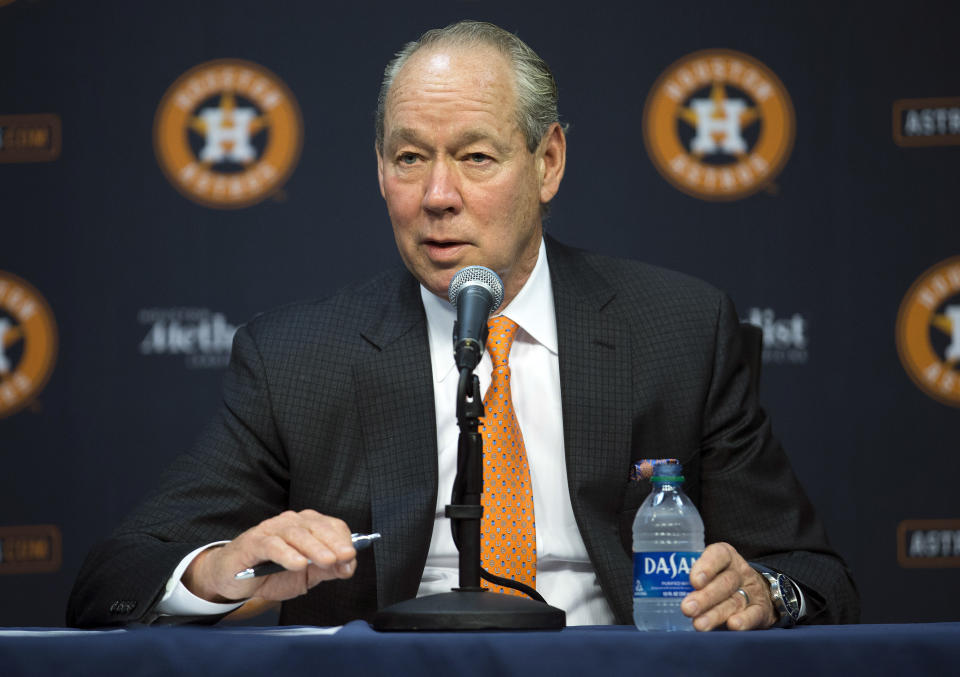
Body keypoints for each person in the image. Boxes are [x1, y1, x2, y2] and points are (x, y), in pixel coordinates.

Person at [67, 20, 858, 630]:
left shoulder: (680, 329)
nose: (437, 195)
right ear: (380, 171)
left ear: (547, 163)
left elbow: (813, 574)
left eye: (476, 157)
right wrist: (217, 570)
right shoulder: (296, 357)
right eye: (409, 158)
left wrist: (766, 591)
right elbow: (116, 579)